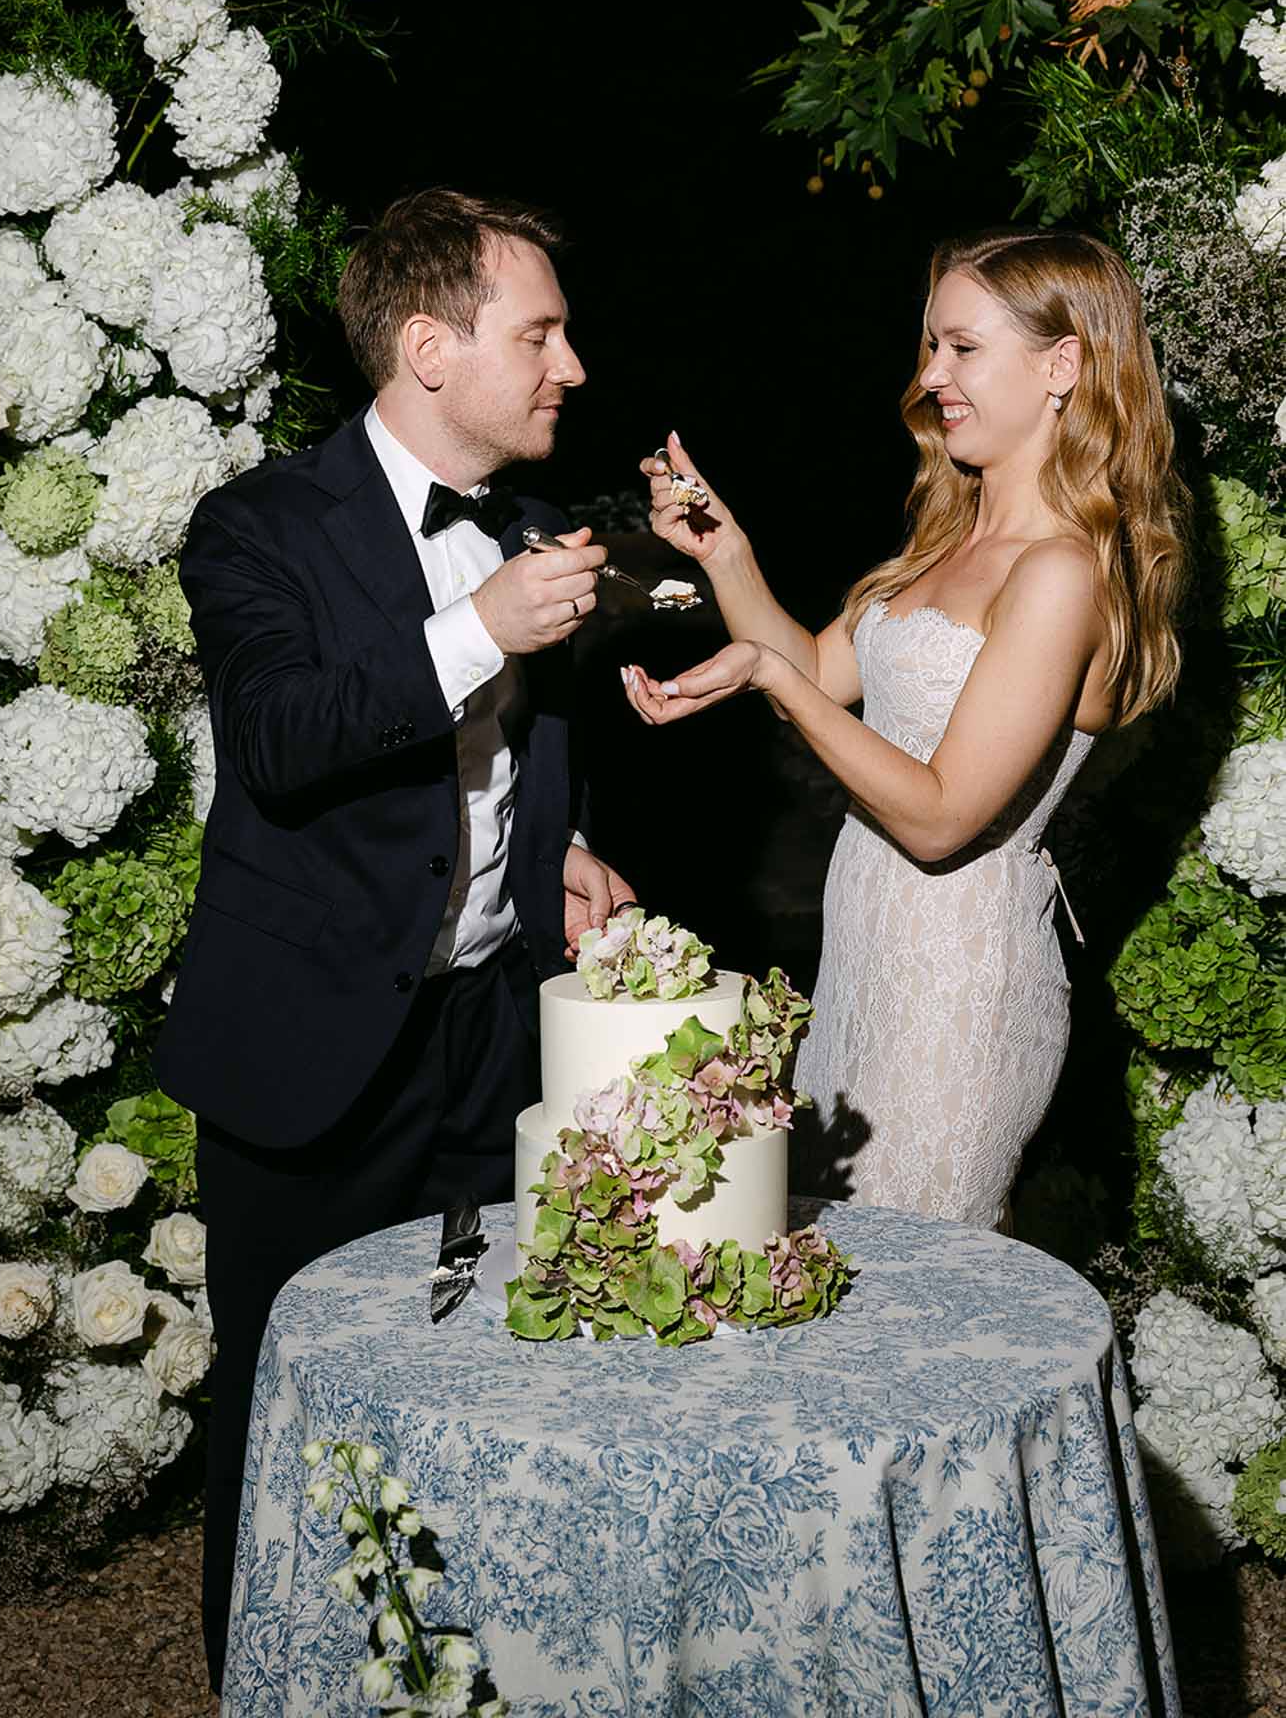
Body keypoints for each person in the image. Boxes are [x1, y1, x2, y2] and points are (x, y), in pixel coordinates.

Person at [155, 187, 634, 1692]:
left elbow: (516, 762)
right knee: (291, 1406)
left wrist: (554, 852)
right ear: (429, 348)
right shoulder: (257, 526)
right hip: (311, 1053)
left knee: (490, 1394)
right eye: (539, 335)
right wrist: (482, 624)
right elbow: (286, 740)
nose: (571, 366)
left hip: (489, 1043)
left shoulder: (542, 521)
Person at [622, 227, 1188, 1230]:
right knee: (826, 1252)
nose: (929, 376)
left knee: (904, 1295)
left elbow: (937, 816)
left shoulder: (1059, 571)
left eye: (961, 347)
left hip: (958, 991)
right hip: (864, 963)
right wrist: (727, 553)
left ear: (1061, 364)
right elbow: (820, 672)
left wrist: (767, 679)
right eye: (930, 346)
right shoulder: (955, 531)